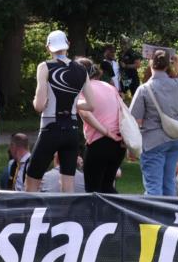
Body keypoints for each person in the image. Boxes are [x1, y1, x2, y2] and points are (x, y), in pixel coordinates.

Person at [25, 29, 96, 194]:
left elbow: (39, 106)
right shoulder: (81, 69)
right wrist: (73, 105)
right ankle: (67, 218)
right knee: (67, 186)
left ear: (48, 47)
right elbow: (92, 105)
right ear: (68, 45)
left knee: (32, 181)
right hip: (71, 130)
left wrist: (35, 100)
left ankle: (30, 218)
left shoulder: (45, 67)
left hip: (51, 128)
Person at [130, 49, 178, 196]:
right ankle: (168, 218)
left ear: (150, 63)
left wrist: (131, 146)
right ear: (168, 65)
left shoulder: (144, 89)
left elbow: (135, 120)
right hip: (175, 139)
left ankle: (152, 219)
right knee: (169, 184)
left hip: (153, 142)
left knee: (153, 188)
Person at [76, 57, 125, 193]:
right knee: (108, 187)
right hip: (119, 144)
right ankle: (118, 214)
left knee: (93, 191)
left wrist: (107, 133)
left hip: (100, 143)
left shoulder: (82, 90)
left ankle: (100, 215)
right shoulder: (109, 87)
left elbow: (86, 114)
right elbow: (122, 112)